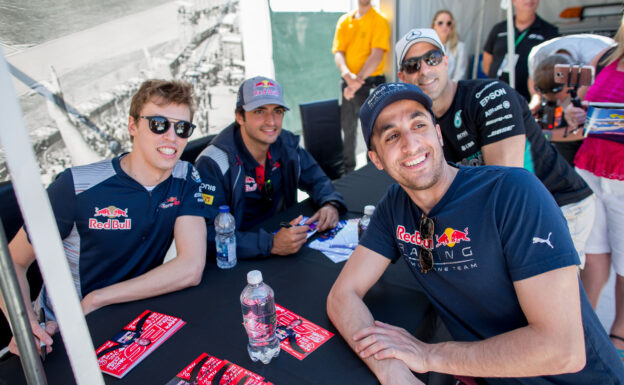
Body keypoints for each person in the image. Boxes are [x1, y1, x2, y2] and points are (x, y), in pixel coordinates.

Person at [327, 82, 624, 385]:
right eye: (392, 136)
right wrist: (392, 371)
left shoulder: (513, 192)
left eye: (419, 124)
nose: (411, 143)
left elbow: (564, 350)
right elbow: (342, 295)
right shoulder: (395, 207)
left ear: (439, 134)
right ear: (375, 159)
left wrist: (429, 355)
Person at [0, 79, 208, 356]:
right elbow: (12, 261)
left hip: (129, 317)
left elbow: (191, 267)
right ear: (132, 126)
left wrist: (99, 298)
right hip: (64, 331)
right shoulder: (74, 186)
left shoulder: (186, 176)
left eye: (182, 129)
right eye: (159, 124)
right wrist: (23, 324)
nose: (172, 137)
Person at [395, 28, 594, 267]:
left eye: (432, 58)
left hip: (558, 204)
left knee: (554, 299)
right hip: (512, 216)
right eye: (412, 65)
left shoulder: (491, 96)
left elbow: (506, 191)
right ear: (402, 76)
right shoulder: (422, 122)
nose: (424, 70)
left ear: (446, 61)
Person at [194, 76, 345, 260]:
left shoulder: (286, 143)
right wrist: (270, 244)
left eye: (278, 111)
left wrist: (330, 203)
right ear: (240, 117)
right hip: (239, 258)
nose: (271, 121)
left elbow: (318, 179)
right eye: (259, 111)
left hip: (283, 244)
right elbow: (204, 237)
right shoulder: (213, 163)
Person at [565, 18, 624, 358]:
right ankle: (583, 326)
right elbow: (590, 109)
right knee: (593, 253)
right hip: (590, 167)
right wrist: (579, 115)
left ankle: (619, 336)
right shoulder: (607, 58)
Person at [332, 0, 390, 174]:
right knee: (347, 128)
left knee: (372, 131)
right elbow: (338, 52)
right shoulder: (344, 21)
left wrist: (356, 82)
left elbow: (377, 55)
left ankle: (371, 172)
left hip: (371, 84)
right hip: (349, 84)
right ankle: (348, 172)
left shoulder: (379, 19)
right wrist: (347, 76)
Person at [482, 0, 558, 102]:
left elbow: (551, 68)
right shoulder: (498, 29)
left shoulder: (549, 31)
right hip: (494, 97)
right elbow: (487, 64)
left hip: (527, 100)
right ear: (513, 1)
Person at [527, 33, 615, 113]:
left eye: (560, 98)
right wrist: (535, 98)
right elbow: (532, 77)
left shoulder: (600, 57)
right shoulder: (537, 55)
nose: (560, 103)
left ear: (570, 82)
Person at [431, 10, 467, 81]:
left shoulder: (460, 47)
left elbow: (460, 75)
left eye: (448, 23)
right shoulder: (428, 46)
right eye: (440, 23)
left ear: (452, 26)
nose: (444, 26)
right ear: (434, 25)